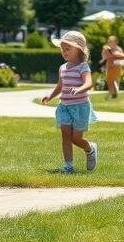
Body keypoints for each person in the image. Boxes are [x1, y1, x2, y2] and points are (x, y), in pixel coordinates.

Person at [41, 31, 98, 174]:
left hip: (80, 108)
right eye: (62, 49)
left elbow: (89, 83)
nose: (64, 52)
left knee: (76, 138)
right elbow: (60, 86)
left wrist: (80, 89)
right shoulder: (63, 68)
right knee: (65, 135)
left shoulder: (83, 67)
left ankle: (90, 149)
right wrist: (50, 96)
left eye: (68, 49)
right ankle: (68, 165)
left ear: (78, 49)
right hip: (64, 107)